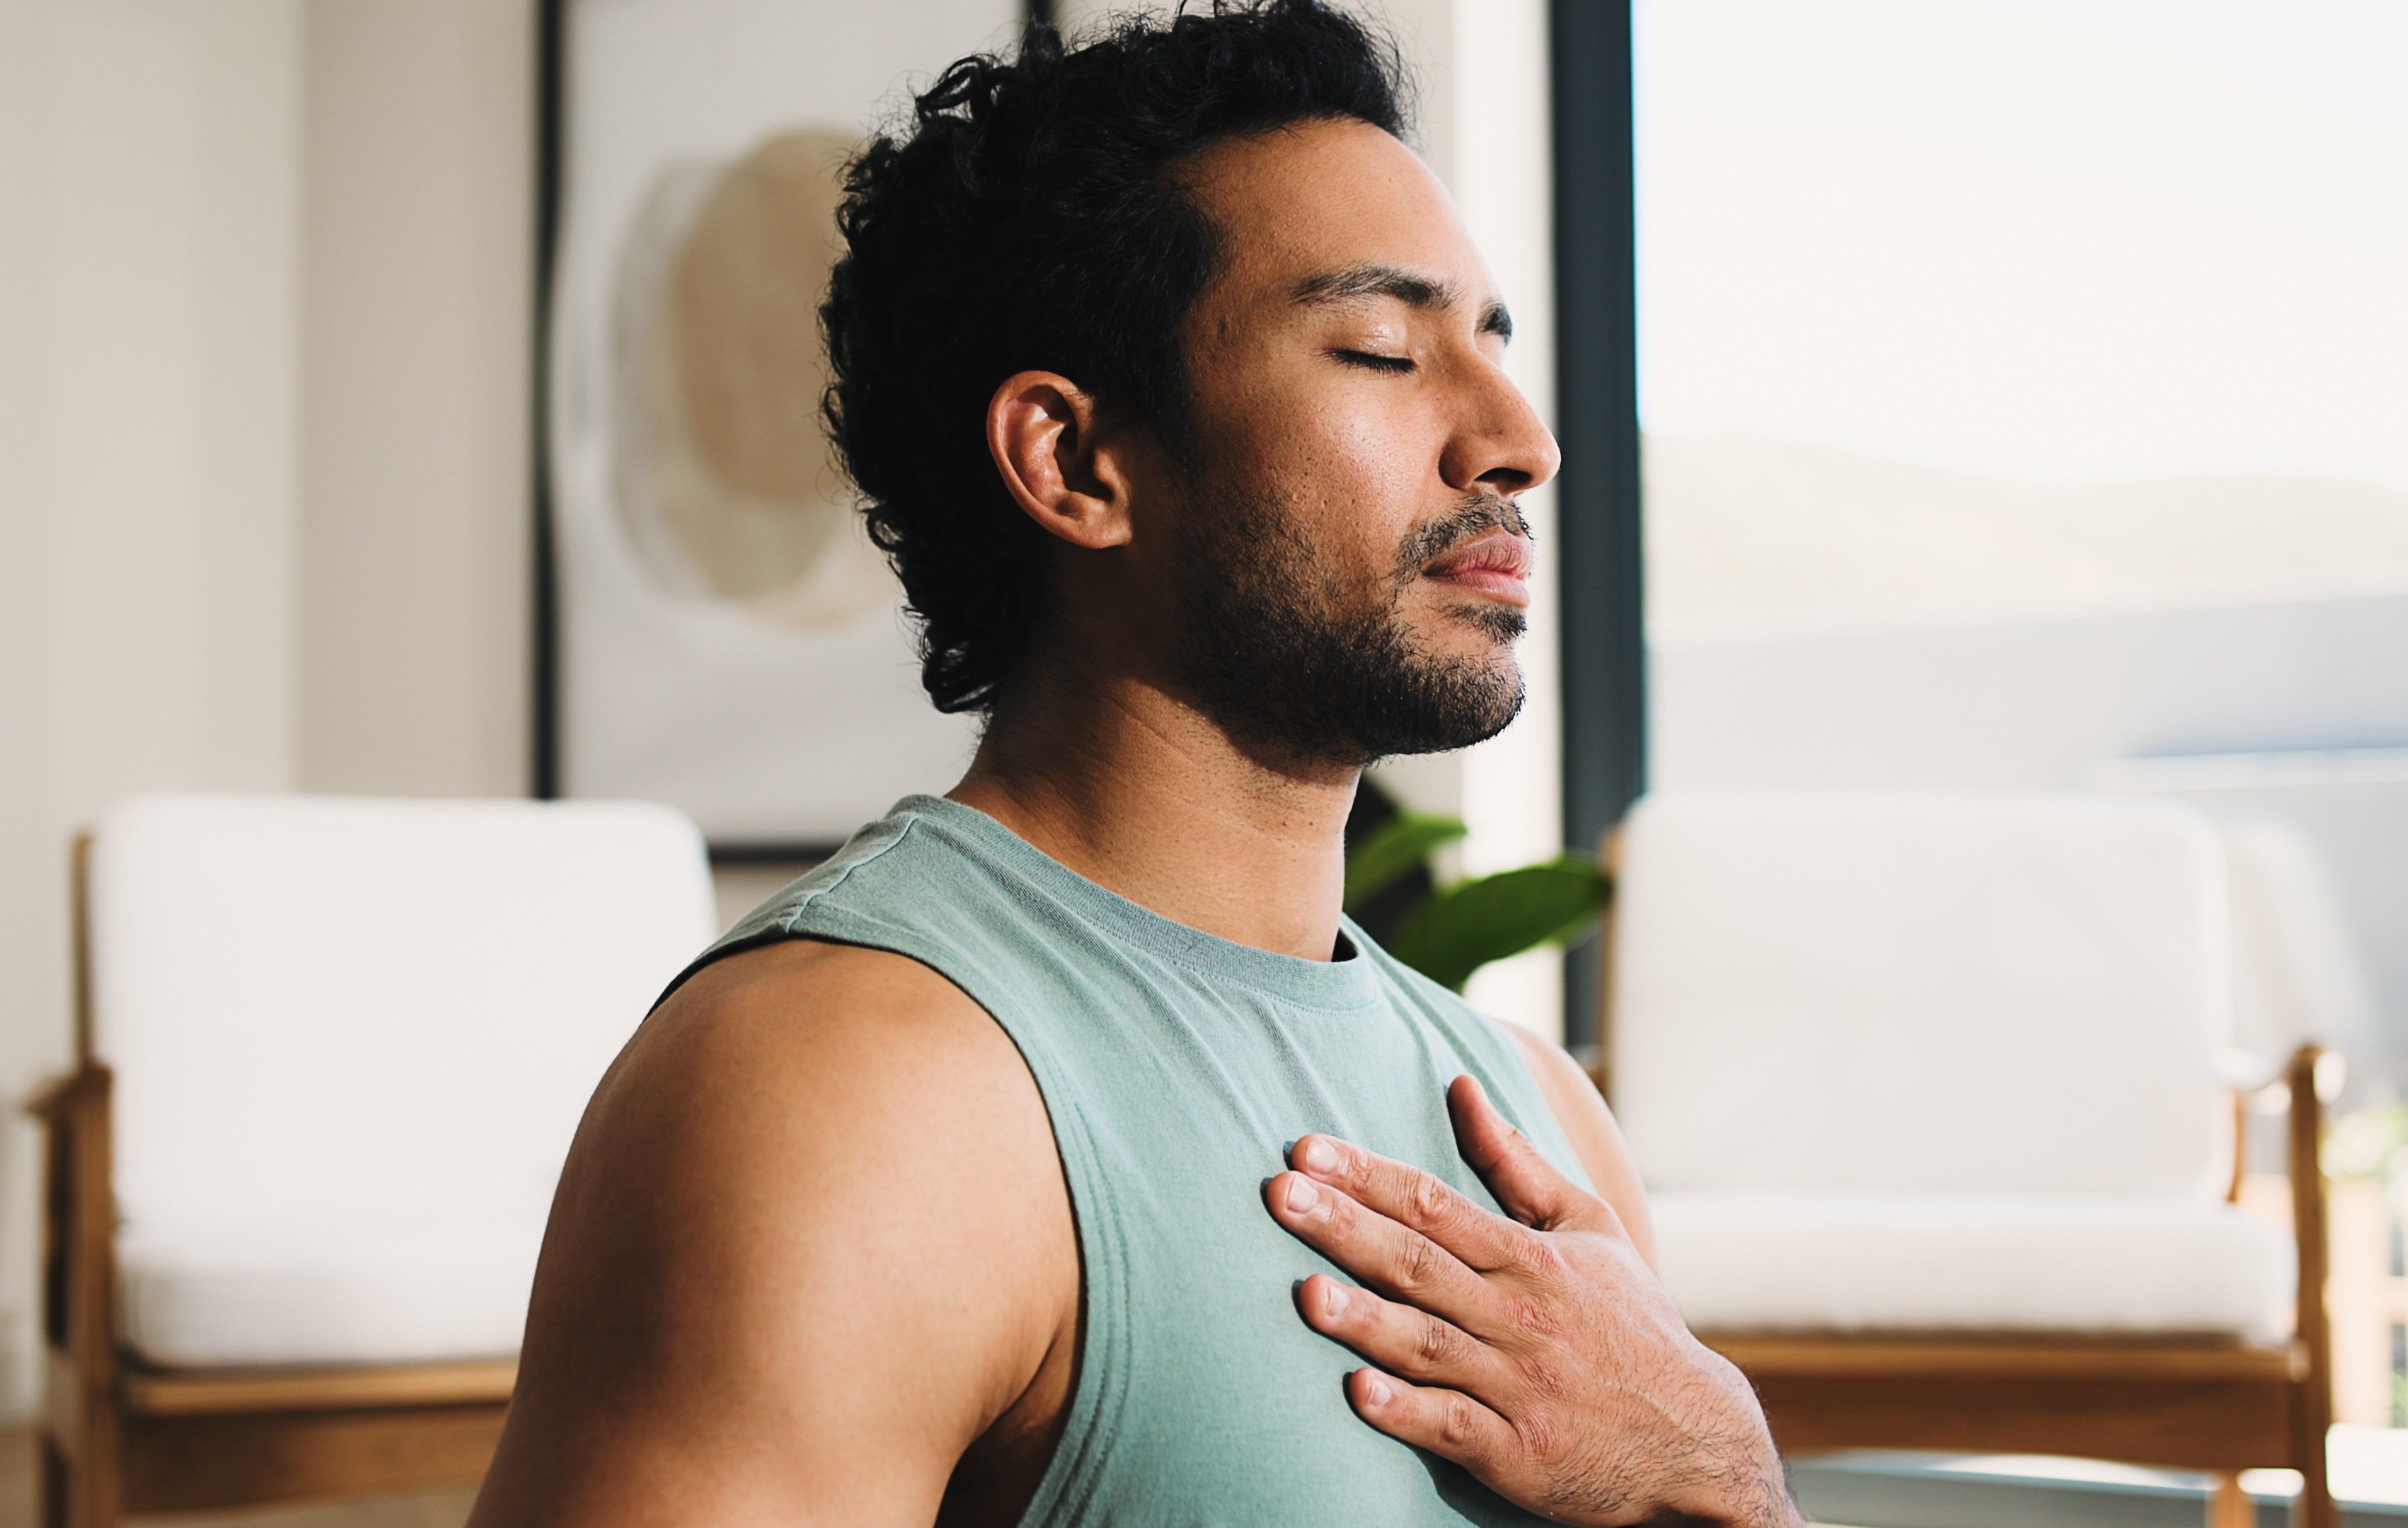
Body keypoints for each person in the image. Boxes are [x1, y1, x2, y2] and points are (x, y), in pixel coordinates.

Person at [469, 4, 1796, 1524]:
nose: (1519, 441)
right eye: (1381, 349)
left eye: (1494, 345)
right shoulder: (844, 1091)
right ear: (1076, 462)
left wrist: (1727, 1480)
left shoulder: (1543, 1116)